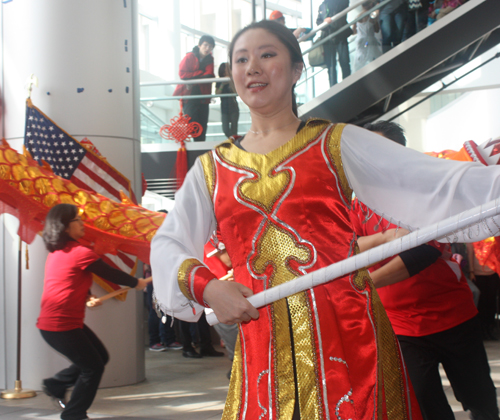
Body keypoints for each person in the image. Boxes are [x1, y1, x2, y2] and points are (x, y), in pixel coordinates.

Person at [151, 19, 500, 419]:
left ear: (297, 69)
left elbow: (436, 182)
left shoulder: (337, 142)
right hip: (262, 347)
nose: (253, 68)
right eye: (241, 59)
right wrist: (209, 287)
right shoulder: (211, 169)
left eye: (268, 55)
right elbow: (167, 243)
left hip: (352, 340)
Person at [352, 121, 499, 420]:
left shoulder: (425, 193)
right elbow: (347, 246)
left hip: (453, 317)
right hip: (402, 328)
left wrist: (361, 285)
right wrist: (383, 239)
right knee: (425, 406)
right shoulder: (359, 204)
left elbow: (423, 252)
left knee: (480, 400)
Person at [37, 203, 151, 420]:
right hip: (60, 325)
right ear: (65, 226)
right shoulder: (79, 252)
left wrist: (88, 296)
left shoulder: (60, 252)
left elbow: (71, 279)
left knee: (99, 357)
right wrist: (135, 282)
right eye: (77, 220)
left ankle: (56, 384)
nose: (82, 223)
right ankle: (74, 414)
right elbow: (108, 272)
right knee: (92, 368)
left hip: (60, 324)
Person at [173, 35, 215, 142]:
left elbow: (209, 75)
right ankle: (196, 145)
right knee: (191, 121)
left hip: (203, 95)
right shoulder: (189, 57)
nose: (207, 48)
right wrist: (201, 73)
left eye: (210, 47)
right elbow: (182, 74)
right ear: (199, 45)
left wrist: (194, 75)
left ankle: (200, 146)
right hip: (189, 94)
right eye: (205, 45)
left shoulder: (210, 59)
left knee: (202, 123)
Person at [467, 241, 500, 340]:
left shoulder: (494, 237)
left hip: (493, 273)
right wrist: (471, 271)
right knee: (482, 302)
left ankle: (490, 328)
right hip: (478, 274)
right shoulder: (472, 238)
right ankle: (482, 329)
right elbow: (470, 253)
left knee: (491, 301)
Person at [316, 0, 352, 86]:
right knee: (331, 66)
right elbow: (318, 22)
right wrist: (325, 22)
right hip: (327, 38)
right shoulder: (322, 5)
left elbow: (344, 6)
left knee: (344, 62)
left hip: (341, 35)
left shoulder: (340, 2)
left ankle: (348, 86)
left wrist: (331, 19)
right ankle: (333, 89)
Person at [352, 1, 383, 72]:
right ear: (371, 5)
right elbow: (377, 30)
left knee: (360, 60)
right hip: (370, 40)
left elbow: (353, 32)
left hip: (360, 40)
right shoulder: (371, 16)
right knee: (373, 58)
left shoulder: (358, 17)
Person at [216, 63, 239, 139]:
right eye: (225, 70)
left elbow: (237, 92)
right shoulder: (219, 80)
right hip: (224, 108)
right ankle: (232, 140)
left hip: (234, 106)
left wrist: (230, 82)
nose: (226, 71)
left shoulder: (234, 79)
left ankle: (234, 143)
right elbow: (217, 93)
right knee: (225, 129)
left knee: (234, 129)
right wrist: (222, 84)